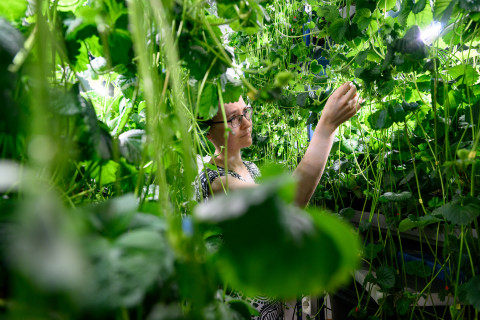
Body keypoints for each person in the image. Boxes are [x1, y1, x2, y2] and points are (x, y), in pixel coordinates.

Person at [195, 81, 363, 320]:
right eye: (234, 119)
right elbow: (283, 206)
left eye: (246, 112)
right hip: (243, 310)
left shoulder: (251, 169)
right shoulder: (215, 182)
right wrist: (325, 127)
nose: (246, 123)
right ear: (208, 132)